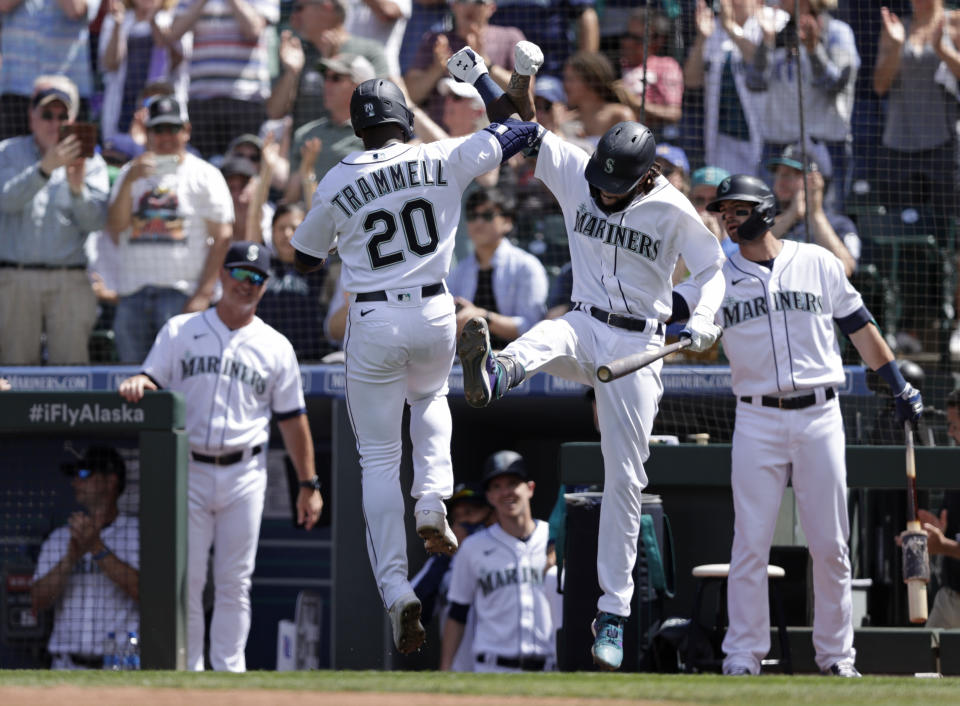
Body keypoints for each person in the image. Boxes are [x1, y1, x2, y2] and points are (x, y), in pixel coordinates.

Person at [448, 41, 725, 670]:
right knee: (547, 337)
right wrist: (479, 80)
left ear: (645, 176)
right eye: (597, 179)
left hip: (639, 345)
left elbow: (712, 268)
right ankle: (494, 371)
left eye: (613, 186)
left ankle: (614, 613)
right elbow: (519, 133)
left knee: (626, 478)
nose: (600, 192)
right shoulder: (582, 169)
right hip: (584, 321)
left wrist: (704, 318)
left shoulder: (670, 207)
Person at [290, 76, 544, 654]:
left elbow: (302, 259)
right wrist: (482, 76)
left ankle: (397, 589)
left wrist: (346, 234)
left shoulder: (337, 177)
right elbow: (520, 129)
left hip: (372, 316)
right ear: (405, 117)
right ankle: (432, 500)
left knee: (378, 458)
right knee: (430, 401)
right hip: (435, 308)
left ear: (357, 127)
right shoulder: (441, 154)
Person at [682, 173, 924, 677]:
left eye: (738, 209)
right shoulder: (714, 275)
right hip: (755, 416)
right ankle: (742, 657)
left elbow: (860, 326)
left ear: (766, 211)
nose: (728, 217)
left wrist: (897, 382)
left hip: (820, 414)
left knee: (831, 542)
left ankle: (837, 658)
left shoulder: (816, 261)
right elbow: (673, 315)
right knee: (750, 541)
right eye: (723, 211)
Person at [117, 240, 323, 672]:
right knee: (188, 581)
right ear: (222, 276)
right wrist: (139, 382)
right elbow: (151, 380)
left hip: (245, 471)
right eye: (240, 274)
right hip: (187, 468)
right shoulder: (180, 330)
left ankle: (229, 674)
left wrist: (309, 484)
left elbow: (293, 419)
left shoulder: (276, 346)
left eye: (257, 278)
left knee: (235, 581)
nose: (246, 285)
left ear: (265, 287)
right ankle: (189, 672)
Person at [105, 95, 234, 364]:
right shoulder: (131, 171)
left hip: (181, 295)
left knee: (180, 380)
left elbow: (223, 237)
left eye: (172, 128)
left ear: (186, 130)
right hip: (132, 295)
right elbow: (115, 227)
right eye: (157, 129)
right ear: (147, 133)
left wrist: (203, 294)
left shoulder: (205, 174)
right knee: (133, 380)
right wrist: (129, 180)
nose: (165, 137)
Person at [0, 78, 109, 365]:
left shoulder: (91, 162)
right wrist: (45, 169)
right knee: (15, 372)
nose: (54, 123)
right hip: (15, 280)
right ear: (31, 117)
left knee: (71, 374)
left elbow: (96, 222)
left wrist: (77, 190)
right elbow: (5, 201)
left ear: (72, 120)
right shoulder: (6, 153)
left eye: (63, 116)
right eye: (47, 115)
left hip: (70, 281)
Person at [440, 450, 554, 672]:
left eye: (513, 483)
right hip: (492, 668)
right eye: (496, 486)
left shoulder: (554, 538)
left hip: (548, 667)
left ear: (530, 488)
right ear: (489, 496)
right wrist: (446, 668)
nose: (505, 492)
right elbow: (457, 613)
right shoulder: (473, 547)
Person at [31, 446, 139, 670]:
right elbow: (36, 601)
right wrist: (70, 558)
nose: (75, 483)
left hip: (119, 665)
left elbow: (148, 593)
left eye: (83, 474)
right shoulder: (61, 538)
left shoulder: (136, 533)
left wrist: (96, 548)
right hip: (66, 666)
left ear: (110, 482)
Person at [751, 0, 859, 210]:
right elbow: (754, 82)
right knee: (769, 218)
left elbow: (836, 85)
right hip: (778, 144)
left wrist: (813, 50)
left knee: (826, 216)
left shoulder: (837, 32)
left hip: (826, 145)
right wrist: (766, 42)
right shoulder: (778, 31)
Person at [163, 0, 280, 158]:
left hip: (245, 100)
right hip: (202, 101)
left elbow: (254, 29)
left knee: (242, 168)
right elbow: (174, 32)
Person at [448, 186, 548, 347]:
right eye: (473, 216)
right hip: (465, 364)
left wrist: (482, 317)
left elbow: (532, 327)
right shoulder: (458, 271)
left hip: (516, 364)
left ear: (507, 222)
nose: (478, 222)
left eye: (487, 216)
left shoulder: (527, 267)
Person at [268, 0, 390, 132]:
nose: (293, 16)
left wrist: (334, 60)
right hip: (305, 147)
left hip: (353, 144)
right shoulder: (297, 51)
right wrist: (291, 73)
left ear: (326, 7)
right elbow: (275, 113)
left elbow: (379, 104)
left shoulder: (369, 51)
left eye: (299, 8)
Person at [411, 481, 494, 671]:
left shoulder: (509, 554)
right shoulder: (444, 563)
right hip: (461, 669)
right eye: (457, 517)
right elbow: (412, 613)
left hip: (503, 666)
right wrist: (446, 559)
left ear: (490, 514)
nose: (462, 523)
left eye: (470, 513)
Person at [404, 0, 525, 130]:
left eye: (478, 2)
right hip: (443, 140)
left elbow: (525, 92)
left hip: (497, 136)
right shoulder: (434, 41)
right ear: (454, 6)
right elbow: (411, 94)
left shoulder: (509, 37)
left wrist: (487, 64)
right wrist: (437, 69)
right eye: (463, 1)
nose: (470, 6)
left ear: (491, 7)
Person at [683, 0, 770, 178]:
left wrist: (730, 27)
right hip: (724, 138)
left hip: (766, 137)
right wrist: (701, 38)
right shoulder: (713, 28)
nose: (728, 3)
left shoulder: (771, 21)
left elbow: (759, 65)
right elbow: (691, 80)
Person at [0, 0, 99, 139]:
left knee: (72, 157)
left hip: (67, 96)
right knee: (11, 157)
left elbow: (74, 10)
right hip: (16, 91)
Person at [284, 53, 375, 204]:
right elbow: (291, 198)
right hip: (313, 222)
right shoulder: (306, 134)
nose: (326, 85)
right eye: (325, 78)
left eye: (336, 78)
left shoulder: (375, 133)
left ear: (359, 85)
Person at [97, 0, 188, 142]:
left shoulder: (173, 18)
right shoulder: (116, 18)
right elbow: (110, 63)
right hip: (122, 107)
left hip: (161, 108)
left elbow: (177, 59)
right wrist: (117, 25)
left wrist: (153, 21)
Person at [767, 143, 858, 277]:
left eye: (789, 175)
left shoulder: (839, 224)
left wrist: (815, 213)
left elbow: (846, 268)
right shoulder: (767, 218)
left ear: (814, 181)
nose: (781, 181)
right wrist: (791, 214)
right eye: (779, 174)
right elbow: (749, 246)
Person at [917, 389, 960, 628]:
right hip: (949, 598)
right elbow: (947, 530)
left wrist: (944, 545)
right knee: (922, 661)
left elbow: (948, 544)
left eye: (954, 425)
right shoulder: (954, 466)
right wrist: (937, 529)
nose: (950, 432)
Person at [614, 7, 683, 137]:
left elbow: (674, 113)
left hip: (652, 137)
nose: (627, 43)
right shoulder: (615, 65)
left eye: (635, 38)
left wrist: (636, 103)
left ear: (656, 40)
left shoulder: (666, 66)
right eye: (626, 36)